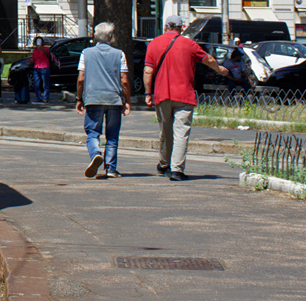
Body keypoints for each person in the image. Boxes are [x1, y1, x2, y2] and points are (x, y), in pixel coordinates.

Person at [143, 14, 233, 180]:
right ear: (181, 28)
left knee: (165, 131)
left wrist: (148, 93)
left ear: (165, 27)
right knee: (181, 132)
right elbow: (209, 59)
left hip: (162, 94)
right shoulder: (189, 44)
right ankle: (177, 169)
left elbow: (148, 71)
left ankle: (164, 164)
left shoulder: (153, 44)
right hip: (184, 94)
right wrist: (219, 69)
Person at [75, 22, 131, 178]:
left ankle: (95, 154)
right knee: (112, 135)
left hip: (93, 98)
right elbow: (124, 80)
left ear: (94, 36)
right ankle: (111, 168)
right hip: (114, 99)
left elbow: (81, 78)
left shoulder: (86, 53)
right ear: (111, 36)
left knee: (93, 132)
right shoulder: (119, 54)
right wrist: (127, 101)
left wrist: (79, 98)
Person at [31, 36, 52, 103]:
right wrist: (30, 61)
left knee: (45, 84)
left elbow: (46, 53)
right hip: (37, 67)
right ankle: (39, 97)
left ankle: (46, 98)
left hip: (44, 67)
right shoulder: (34, 51)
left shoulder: (45, 48)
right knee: (36, 84)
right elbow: (34, 60)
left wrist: (41, 48)